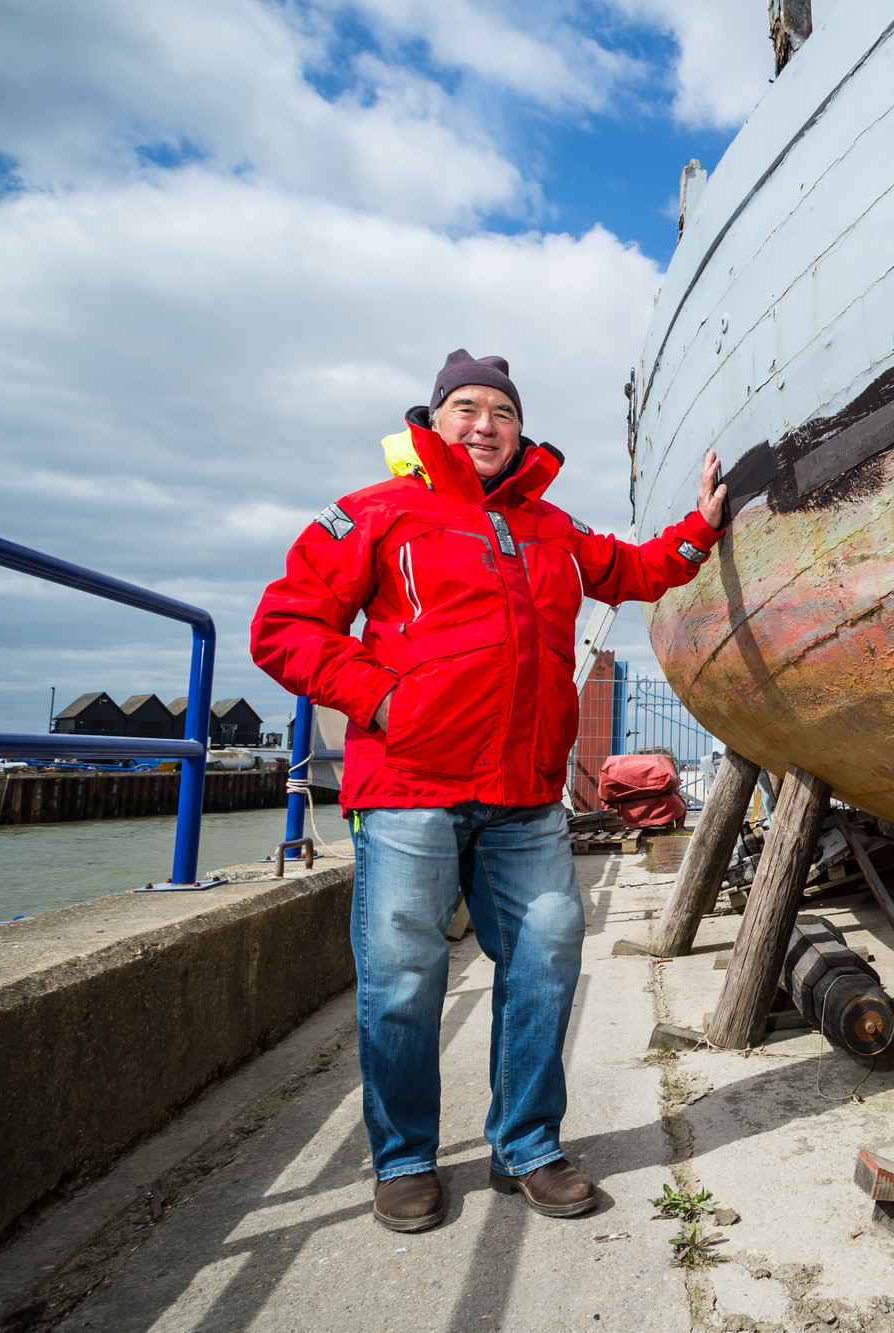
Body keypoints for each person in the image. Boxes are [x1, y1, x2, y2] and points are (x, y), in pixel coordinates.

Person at [250, 349, 726, 1233]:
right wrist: (384, 697)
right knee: (402, 977)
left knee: (547, 949)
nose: (484, 424)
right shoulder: (375, 511)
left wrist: (698, 527)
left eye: (501, 412)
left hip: (522, 796)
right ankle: (402, 1158)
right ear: (432, 421)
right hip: (407, 789)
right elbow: (283, 627)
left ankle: (528, 1146)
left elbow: (632, 570)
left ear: (519, 430)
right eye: (465, 407)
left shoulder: (549, 526)